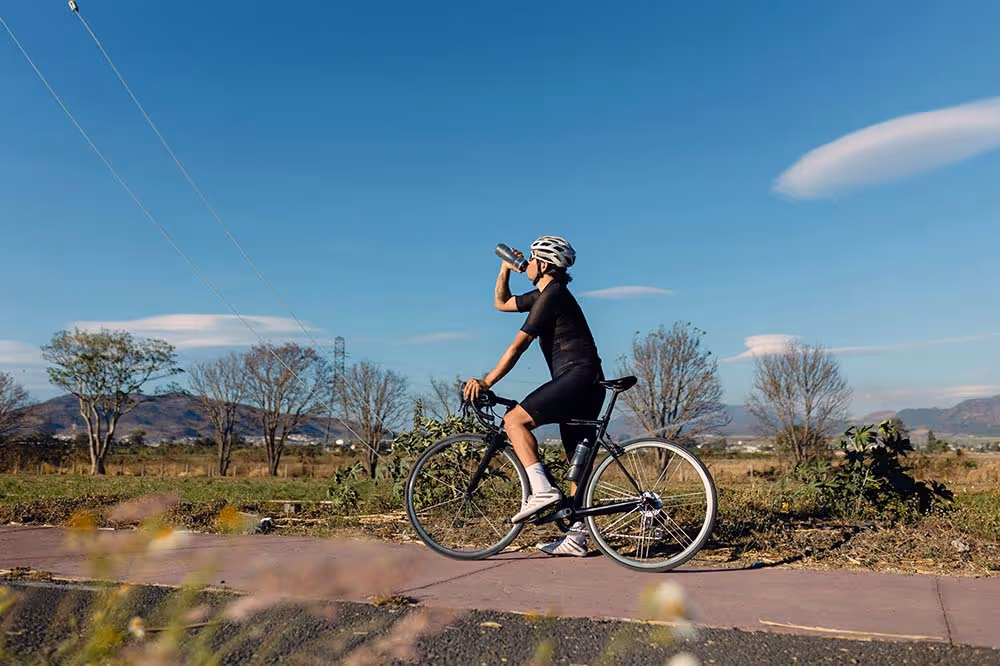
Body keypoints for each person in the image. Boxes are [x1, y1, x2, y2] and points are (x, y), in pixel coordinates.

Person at [463, 235, 606, 557]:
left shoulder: (551, 296)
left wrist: (486, 381)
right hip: (590, 379)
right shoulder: (546, 294)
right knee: (577, 462)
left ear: (543, 264)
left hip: (576, 376)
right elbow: (501, 303)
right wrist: (504, 268)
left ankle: (540, 490)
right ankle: (577, 536)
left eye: (531, 258)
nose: (526, 263)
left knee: (514, 420)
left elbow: (517, 346)